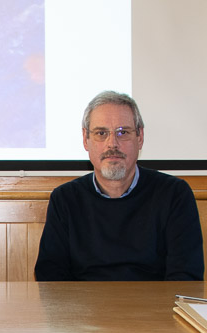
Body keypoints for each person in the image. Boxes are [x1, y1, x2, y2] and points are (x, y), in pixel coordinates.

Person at [35, 90, 204, 281]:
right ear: (85, 139)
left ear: (139, 137)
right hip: (85, 308)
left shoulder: (174, 194)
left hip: (153, 309)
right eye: (101, 133)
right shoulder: (65, 199)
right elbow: (50, 275)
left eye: (123, 132)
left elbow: (186, 275)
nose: (112, 144)